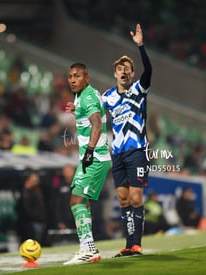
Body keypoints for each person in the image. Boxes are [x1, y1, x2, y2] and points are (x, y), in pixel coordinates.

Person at [101, 23, 152, 257]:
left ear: (132, 73)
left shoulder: (139, 90)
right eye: (120, 68)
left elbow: (149, 71)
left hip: (137, 151)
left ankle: (137, 245)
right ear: (115, 73)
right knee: (123, 200)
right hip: (118, 153)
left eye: (127, 69)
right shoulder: (107, 96)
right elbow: (94, 115)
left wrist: (140, 47)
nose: (123, 71)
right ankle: (128, 244)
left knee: (135, 196)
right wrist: (76, 109)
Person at [63, 63, 111, 265]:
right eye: (70, 76)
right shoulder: (82, 96)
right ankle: (87, 248)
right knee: (83, 202)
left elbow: (97, 123)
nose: (73, 80)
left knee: (76, 201)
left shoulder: (88, 96)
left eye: (77, 76)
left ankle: (88, 249)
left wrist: (90, 150)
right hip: (91, 158)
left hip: (95, 157)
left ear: (87, 78)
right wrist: (77, 110)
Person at [16, 172, 47, 244]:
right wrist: (37, 215)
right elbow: (26, 208)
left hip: (40, 219)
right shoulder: (25, 192)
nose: (36, 182)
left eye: (36, 180)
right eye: (34, 180)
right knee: (31, 241)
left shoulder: (38, 190)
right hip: (31, 221)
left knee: (39, 241)